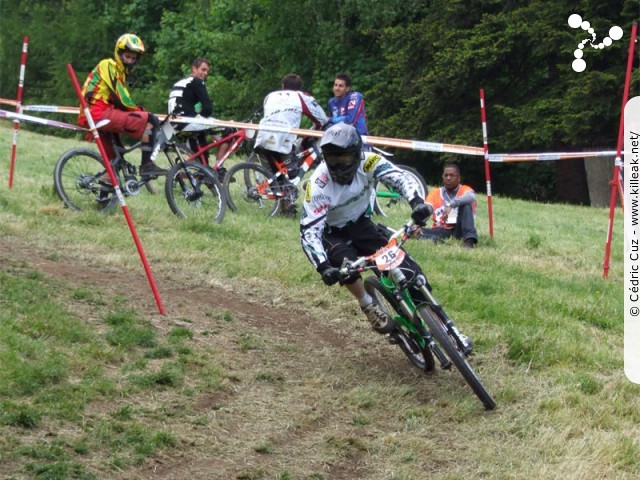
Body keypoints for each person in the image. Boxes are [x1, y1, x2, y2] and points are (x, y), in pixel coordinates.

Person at [300, 123, 434, 334]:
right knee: (346, 268)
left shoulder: (370, 162)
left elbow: (399, 178)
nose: (338, 166)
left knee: (409, 270)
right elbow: (309, 231)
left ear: (356, 153)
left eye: (343, 158)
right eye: (332, 159)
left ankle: (442, 323)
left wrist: (417, 202)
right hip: (332, 233)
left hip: (362, 224)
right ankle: (367, 304)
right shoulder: (318, 184)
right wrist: (323, 267)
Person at [78, 33, 167, 179]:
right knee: (149, 120)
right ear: (119, 54)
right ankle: (146, 166)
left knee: (114, 161)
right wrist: (142, 112)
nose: (130, 61)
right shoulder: (108, 65)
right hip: (97, 113)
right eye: (127, 57)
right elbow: (121, 97)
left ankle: (104, 198)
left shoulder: (119, 71)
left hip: (97, 114)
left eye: (133, 58)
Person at [254, 73, 328, 215]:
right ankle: (287, 206)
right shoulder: (302, 97)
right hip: (284, 140)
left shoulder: (271, 96)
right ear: (300, 88)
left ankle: (284, 207)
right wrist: (311, 133)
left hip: (263, 137)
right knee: (290, 175)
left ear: (282, 86)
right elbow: (322, 119)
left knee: (275, 175)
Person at [167, 58, 230, 169]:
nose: (205, 73)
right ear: (194, 68)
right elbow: (207, 109)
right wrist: (202, 115)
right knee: (227, 131)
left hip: (174, 124)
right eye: (203, 69)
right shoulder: (197, 81)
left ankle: (203, 174)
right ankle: (220, 168)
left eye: (207, 71)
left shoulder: (180, 82)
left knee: (202, 163)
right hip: (187, 120)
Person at [417, 162, 478, 249]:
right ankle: (434, 240)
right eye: (446, 175)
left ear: (459, 178)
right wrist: (418, 220)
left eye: (452, 175)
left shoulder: (464, 189)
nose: (448, 178)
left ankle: (469, 242)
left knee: (466, 205)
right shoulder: (435, 193)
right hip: (441, 229)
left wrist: (452, 204)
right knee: (415, 232)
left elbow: (471, 196)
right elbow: (428, 208)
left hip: (459, 229)